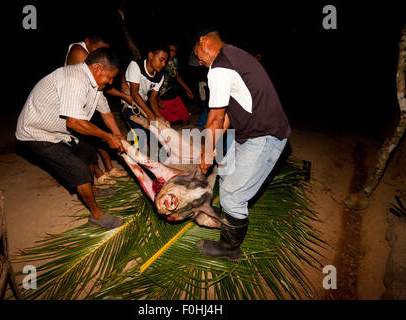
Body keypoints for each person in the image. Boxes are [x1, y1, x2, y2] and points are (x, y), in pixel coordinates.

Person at [192, 27, 292, 260]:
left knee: (232, 194)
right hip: (251, 134)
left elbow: (214, 118)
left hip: (264, 137)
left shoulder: (220, 66)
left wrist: (206, 154)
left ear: (204, 40)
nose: (199, 62)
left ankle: (230, 249)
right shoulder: (234, 56)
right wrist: (213, 144)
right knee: (226, 172)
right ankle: (229, 216)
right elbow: (226, 114)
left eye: (198, 55)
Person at [16, 47, 125, 230]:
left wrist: (118, 136)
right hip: (36, 132)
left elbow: (106, 112)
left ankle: (93, 190)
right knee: (78, 169)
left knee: (88, 151)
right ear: (97, 68)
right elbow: (74, 123)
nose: (111, 82)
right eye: (110, 77)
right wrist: (108, 137)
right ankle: (96, 215)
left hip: (59, 131)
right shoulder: (74, 79)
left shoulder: (95, 84)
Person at [65, 35, 130, 184]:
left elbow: (105, 107)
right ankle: (98, 173)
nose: (103, 54)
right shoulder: (79, 52)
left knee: (105, 132)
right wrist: (124, 96)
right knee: (91, 139)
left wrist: (118, 135)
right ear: (88, 42)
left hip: (90, 97)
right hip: (77, 104)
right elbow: (99, 80)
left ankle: (109, 168)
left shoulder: (98, 67)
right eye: (99, 50)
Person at [122, 43, 168, 144]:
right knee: (138, 136)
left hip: (143, 102)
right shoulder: (136, 66)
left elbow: (152, 99)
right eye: (161, 60)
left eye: (165, 61)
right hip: (130, 104)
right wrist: (150, 113)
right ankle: (136, 158)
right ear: (151, 55)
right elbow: (134, 93)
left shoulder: (160, 76)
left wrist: (158, 116)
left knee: (154, 135)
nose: (164, 64)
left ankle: (153, 158)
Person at [157, 43, 194, 126]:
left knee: (185, 117)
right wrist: (158, 98)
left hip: (175, 96)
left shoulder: (175, 61)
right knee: (165, 124)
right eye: (170, 51)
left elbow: (177, 77)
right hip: (163, 97)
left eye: (174, 51)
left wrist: (187, 89)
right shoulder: (160, 62)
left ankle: (185, 137)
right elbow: (154, 82)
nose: (171, 53)